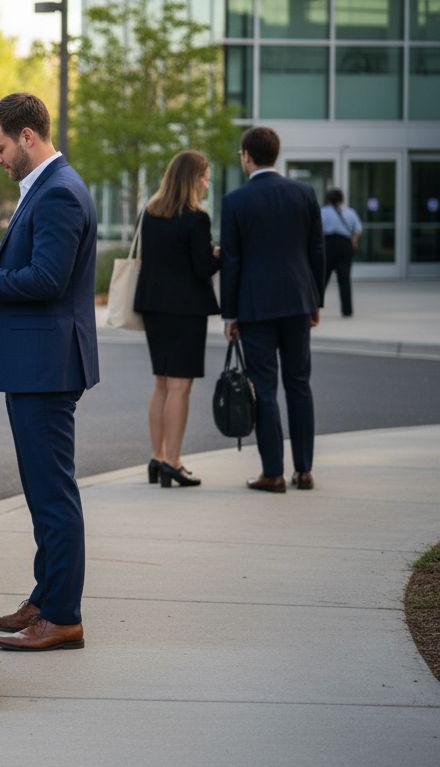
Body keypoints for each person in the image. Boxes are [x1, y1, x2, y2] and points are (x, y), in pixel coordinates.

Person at [0, 93, 98, 652]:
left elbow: (47, 280)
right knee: (42, 491)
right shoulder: (50, 187)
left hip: (46, 368)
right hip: (40, 365)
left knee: (53, 495)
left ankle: (63, 617)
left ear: (28, 137)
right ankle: (45, 598)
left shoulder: (57, 193)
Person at [221, 126, 326, 493]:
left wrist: (230, 315)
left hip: (255, 307)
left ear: (247, 156)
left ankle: (273, 473)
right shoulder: (304, 194)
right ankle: (305, 470)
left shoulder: (235, 201)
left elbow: (231, 262)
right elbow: (317, 251)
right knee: (299, 385)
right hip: (299, 302)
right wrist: (316, 300)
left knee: (264, 389)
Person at [133, 150, 221, 488]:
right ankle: (173, 461)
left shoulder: (150, 214)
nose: (207, 182)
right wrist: (219, 256)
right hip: (185, 310)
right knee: (180, 386)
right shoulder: (196, 218)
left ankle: (157, 457)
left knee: (161, 383)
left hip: (154, 306)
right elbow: (201, 268)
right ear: (192, 178)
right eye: (204, 176)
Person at [321, 187, 362, 318]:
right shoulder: (350, 212)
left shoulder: (322, 212)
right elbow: (357, 229)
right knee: (344, 279)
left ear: (328, 199)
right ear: (341, 199)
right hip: (345, 245)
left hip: (327, 245)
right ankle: (347, 310)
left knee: (322, 279)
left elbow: (316, 230)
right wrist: (353, 242)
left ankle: (315, 307)